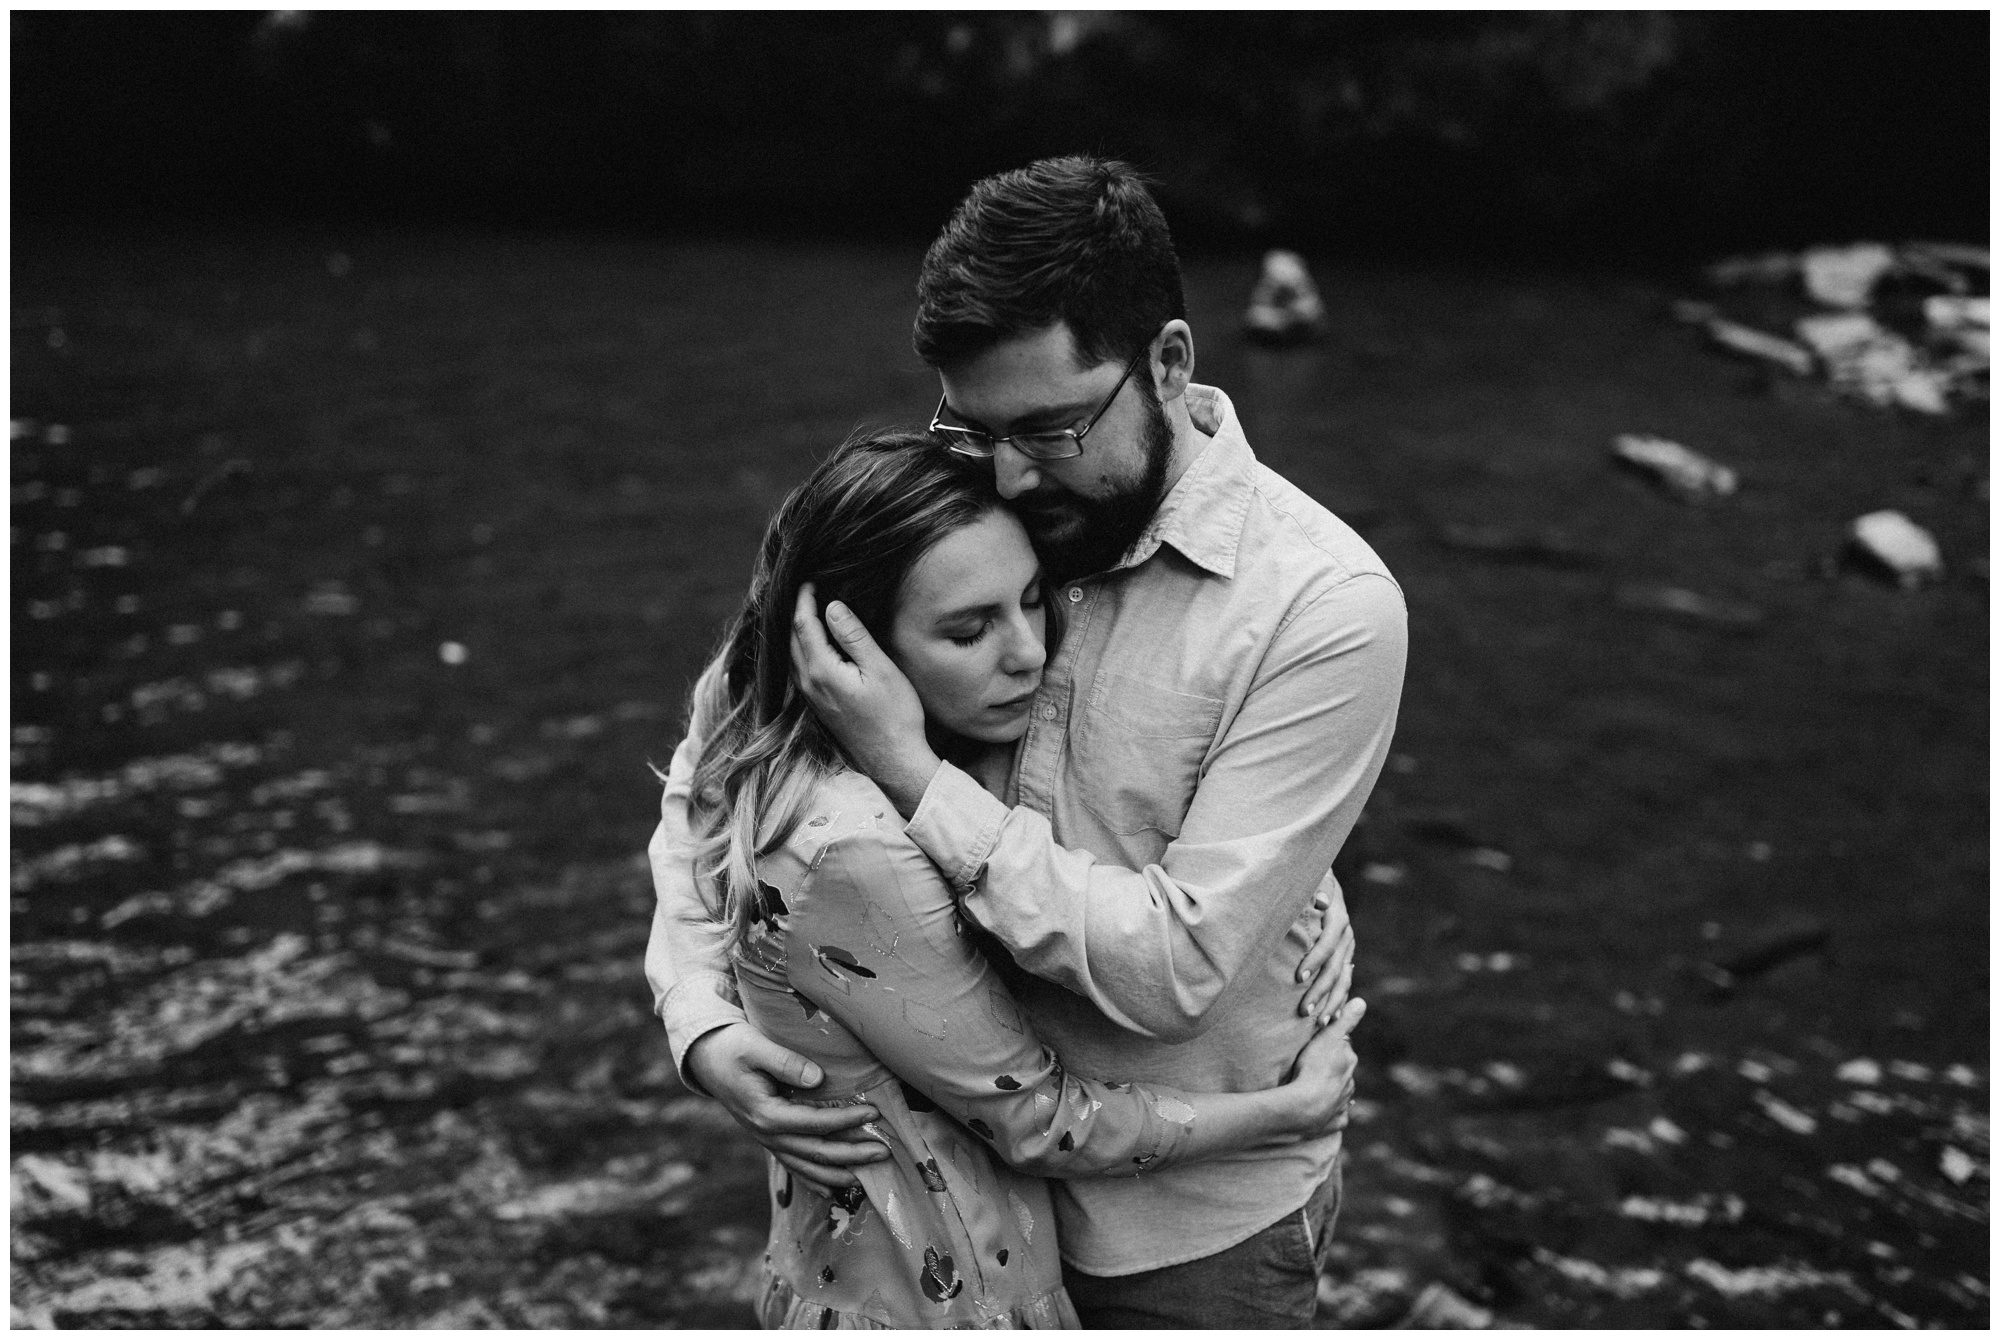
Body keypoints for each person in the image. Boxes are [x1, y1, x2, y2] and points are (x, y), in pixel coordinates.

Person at [649, 156, 1407, 1328]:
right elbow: (727, 743)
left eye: (1047, 427)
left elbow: (1176, 969)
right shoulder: (984, 491)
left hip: (1193, 1228)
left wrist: (909, 771)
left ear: (1167, 361)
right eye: (973, 423)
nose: (1003, 471)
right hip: (960, 1201)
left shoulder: (1321, 606)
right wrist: (694, 1005)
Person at [676, 427, 1366, 1327]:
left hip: (1131, 1235)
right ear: (847, 650)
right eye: (969, 631)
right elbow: (1034, 1117)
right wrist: (694, 1015)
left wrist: (1292, 893)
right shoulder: (854, 836)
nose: (1030, 652)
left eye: (1036, 601)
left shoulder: (1314, 600)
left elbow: (1186, 809)